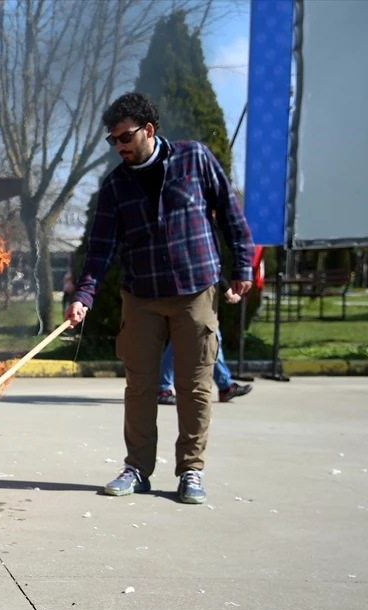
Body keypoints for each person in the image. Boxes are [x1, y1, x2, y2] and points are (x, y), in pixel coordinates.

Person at [65, 92, 254, 505]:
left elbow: (231, 213)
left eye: (124, 137)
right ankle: (137, 468)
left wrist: (242, 266)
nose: (119, 146)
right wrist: (84, 295)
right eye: (113, 140)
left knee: (195, 386)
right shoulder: (115, 185)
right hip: (142, 295)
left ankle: (191, 471)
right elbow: (100, 247)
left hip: (194, 290)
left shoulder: (195, 159)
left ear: (149, 130)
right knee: (141, 386)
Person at [158, 284, 253, 404]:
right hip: (190, 293)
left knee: (209, 338)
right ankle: (162, 388)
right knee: (188, 339)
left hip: (194, 293)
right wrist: (227, 289)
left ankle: (226, 386)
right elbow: (209, 267)